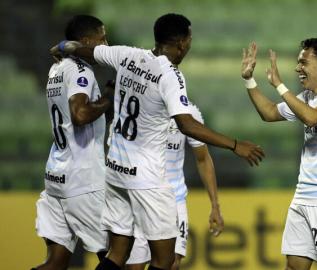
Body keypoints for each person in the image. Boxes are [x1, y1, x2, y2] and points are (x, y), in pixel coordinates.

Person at [52, 13, 264, 270]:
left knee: (117, 254)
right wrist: (234, 144)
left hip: (116, 171)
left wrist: (61, 48)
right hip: (147, 178)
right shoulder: (170, 76)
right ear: (183, 43)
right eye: (190, 38)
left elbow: (83, 48)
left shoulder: (126, 55)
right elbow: (186, 123)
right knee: (164, 259)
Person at [241, 37, 317, 270]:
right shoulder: (307, 98)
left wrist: (280, 85)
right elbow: (270, 112)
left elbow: (313, 118)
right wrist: (249, 80)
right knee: (294, 266)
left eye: (303, 62)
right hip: (303, 195)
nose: (298, 68)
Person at [32, 15, 113, 270]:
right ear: (86, 42)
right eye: (102, 39)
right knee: (117, 254)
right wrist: (108, 98)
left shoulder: (56, 69)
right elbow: (79, 115)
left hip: (56, 177)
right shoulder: (80, 70)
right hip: (83, 179)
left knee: (55, 263)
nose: (106, 44)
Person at [126, 102, 224, 270]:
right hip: (141, 197)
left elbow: (203, 159)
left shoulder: (189, 112)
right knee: (135, 266)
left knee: (172, 263)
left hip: (174, 200)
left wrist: (215, 205)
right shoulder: (138, 105)